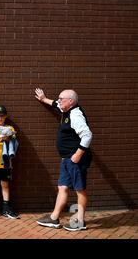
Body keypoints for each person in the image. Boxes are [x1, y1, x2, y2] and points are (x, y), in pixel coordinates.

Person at [34, 88, 92, 231]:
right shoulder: (65, 109)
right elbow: (55, 104)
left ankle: (79, 221)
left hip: (76, 160)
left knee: (80, 189)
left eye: (61, 98)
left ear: (71, 101)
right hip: (66, 159)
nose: (59, 101)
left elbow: (87, 135)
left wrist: (78, 155)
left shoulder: (75, 114)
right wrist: (43, 99)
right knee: (62, 187)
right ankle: (54, 218)